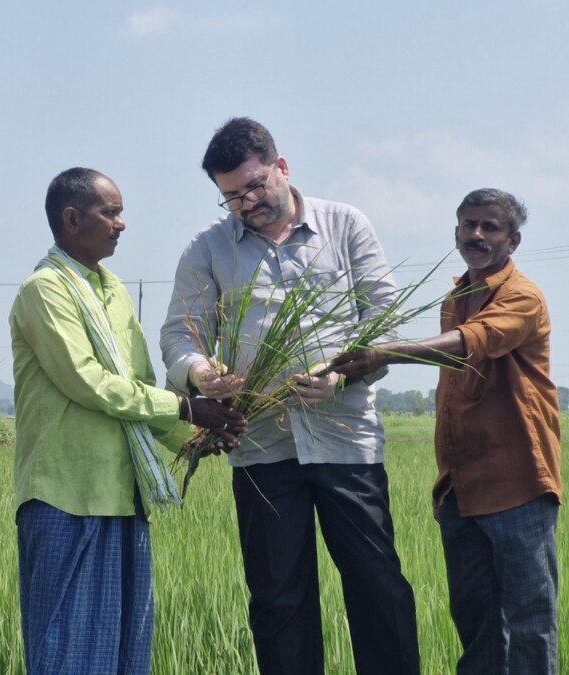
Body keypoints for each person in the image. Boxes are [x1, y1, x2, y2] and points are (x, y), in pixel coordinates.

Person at [160, 118, 420, 675]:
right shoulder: (206, 249)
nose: (246, 203)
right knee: (278, 598)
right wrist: (202, 372)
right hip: (261, 448)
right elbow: (179, 335)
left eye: (254, 187)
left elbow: (383, 316)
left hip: (345, 439)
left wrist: (341, 377)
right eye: (231, 196)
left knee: (377, 584)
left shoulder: (345, 225)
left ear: (281, 168)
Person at [10, 168, 245, 674]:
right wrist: (185, 408)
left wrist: (198, 436)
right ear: (72, 219)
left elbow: (141, 384)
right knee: (64, 649)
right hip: (63, 494)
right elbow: (90, 382)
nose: (122, 223)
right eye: (110, 212)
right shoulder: (44, 291)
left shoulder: (112, 291)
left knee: (121, 651)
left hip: (122, 493)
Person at [330, 188, 562, 673]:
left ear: (512, 241)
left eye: (490, 227)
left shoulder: (521, 296)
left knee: (529, 618)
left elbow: (469, 344)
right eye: (468, 224)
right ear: (456, 231)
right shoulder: (456, 295)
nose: (476, 234)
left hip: (516, 482)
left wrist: (385, 353)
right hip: (460, 486)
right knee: (475, 619)